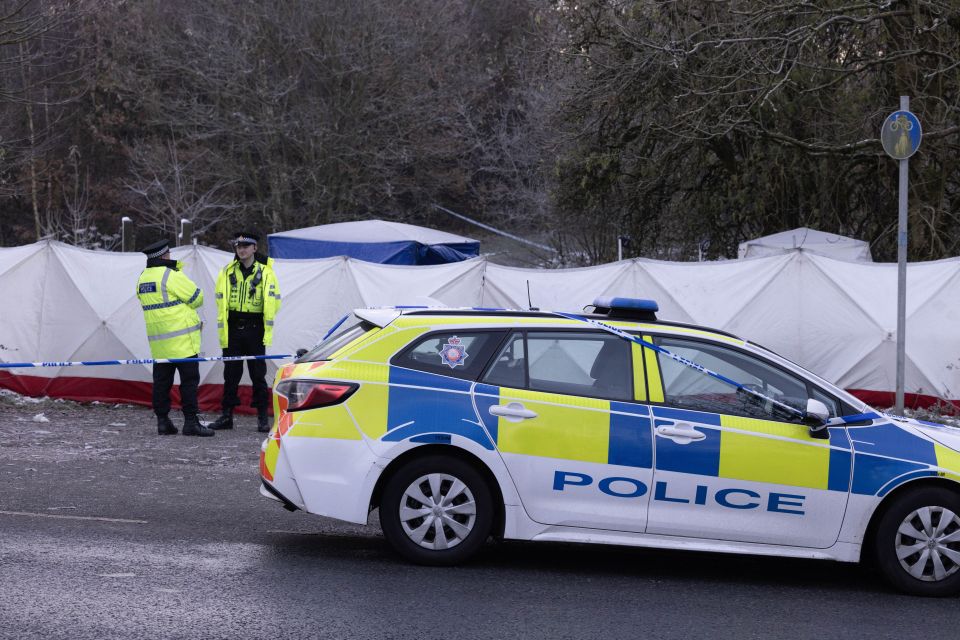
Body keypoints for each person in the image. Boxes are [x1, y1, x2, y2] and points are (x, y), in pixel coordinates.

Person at [136, 239, 214, 437]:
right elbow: (197, 297)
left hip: (159, 343)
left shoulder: (143, 278)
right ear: (165, 255)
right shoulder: (170, 275)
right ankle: (191, 422)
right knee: (189, 382)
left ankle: (163, 421)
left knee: (162, 383)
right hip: (183, 341)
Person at [210, 231, 281, 433]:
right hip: (233, 328)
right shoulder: (227, 271)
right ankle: (226, 416)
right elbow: (219, 297)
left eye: (246, 246)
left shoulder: (266, 272)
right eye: (238, 246)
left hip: (255, 328)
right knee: (231, 373)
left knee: (258, 374)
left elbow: (275, 301)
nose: (241, 250)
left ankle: (262, 417)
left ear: (254, 248)